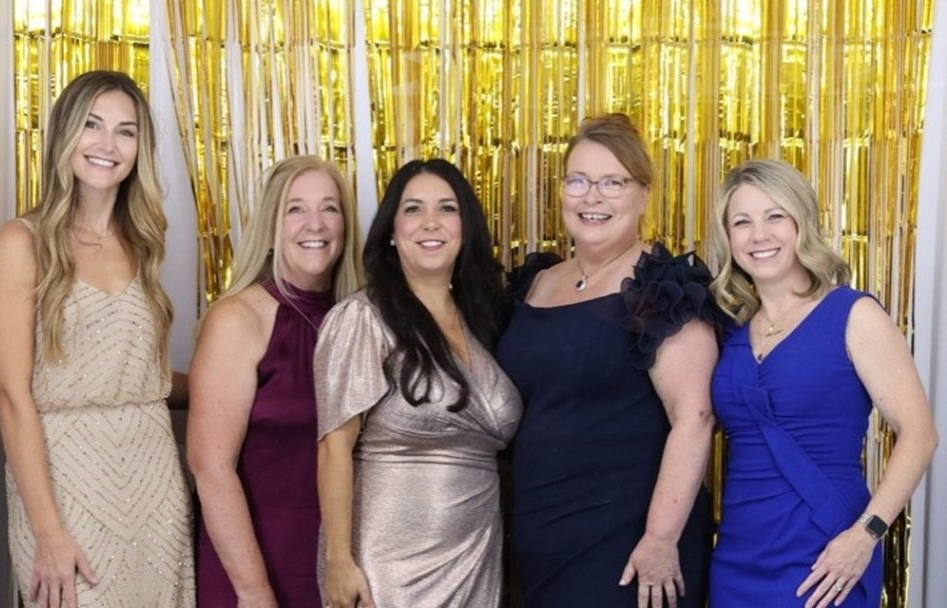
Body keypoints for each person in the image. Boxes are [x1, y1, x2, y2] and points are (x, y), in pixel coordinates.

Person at [0, 70, 194, 607]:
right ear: (64, 135)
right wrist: (48, 531)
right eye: (92, 125)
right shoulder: (20, 243)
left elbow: (141, 374)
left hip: (155, 481)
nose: (107, 144)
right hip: (65, 481)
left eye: (126, 131)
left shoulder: (143, 241)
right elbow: (9, 396)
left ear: (140, 149)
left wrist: (240, 388)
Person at [495, 113, 718, 608]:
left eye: (612, 183)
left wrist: (660, 539)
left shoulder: (663, 288)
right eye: (578, 181)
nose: (591, 198)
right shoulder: (538, 283)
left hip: (629, 541)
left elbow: (695, 417)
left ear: (643, 194)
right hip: (542, 530)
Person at [707, 158, 938, 608]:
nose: (759, 235)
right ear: (728, 236)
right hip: (738, 554)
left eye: (775, 216)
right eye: (742, 222)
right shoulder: (731, 332)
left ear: (802, 222)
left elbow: (920, 434)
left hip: (829, 552)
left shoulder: (853, 314)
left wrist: (866, 535)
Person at [315, 159, 522, 607]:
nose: (431, 222)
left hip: (476, 552)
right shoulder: (362, 317)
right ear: (392, 231)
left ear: (465, 228)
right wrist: (338, 560)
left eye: (447, 208)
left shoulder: (486, 322)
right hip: (387, 561)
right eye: (413, 209)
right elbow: (334, 447)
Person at [187, 156, 362, 606]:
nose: (315, 223)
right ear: (269, 229)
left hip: (344, 566)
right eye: (294, 209)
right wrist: (254, 590)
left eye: (329, 208)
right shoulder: (238, 319)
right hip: (254, 567)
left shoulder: (362, 320)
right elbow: (210, 466)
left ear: (346, 226)